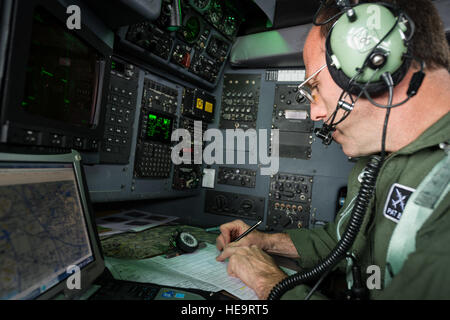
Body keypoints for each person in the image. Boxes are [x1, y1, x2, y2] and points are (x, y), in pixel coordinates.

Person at [215, 0, 450, 300]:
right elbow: (343, 242)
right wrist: (264, 242)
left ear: (373, 61)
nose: (315, 113)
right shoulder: (380, 158)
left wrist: (267, 281)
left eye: (314, 86)